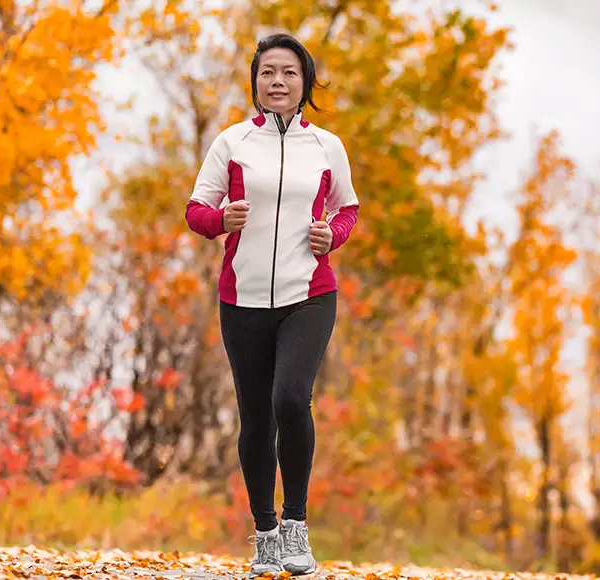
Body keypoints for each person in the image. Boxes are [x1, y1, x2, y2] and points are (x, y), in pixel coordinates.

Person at [185, 32, 359, 578]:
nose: (277, 82)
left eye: (288, 72)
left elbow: (347, 208)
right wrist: (221, 222)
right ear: (255, 83)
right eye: (267, 73)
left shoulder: (326, 146)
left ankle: (296, 527)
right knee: (256, 417)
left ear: (304, 82)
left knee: (291, 399)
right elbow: (196, 210)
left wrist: (333, 234)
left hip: (309, 293)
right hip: (243, 296)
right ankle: (264, 534)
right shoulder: (232, 142)